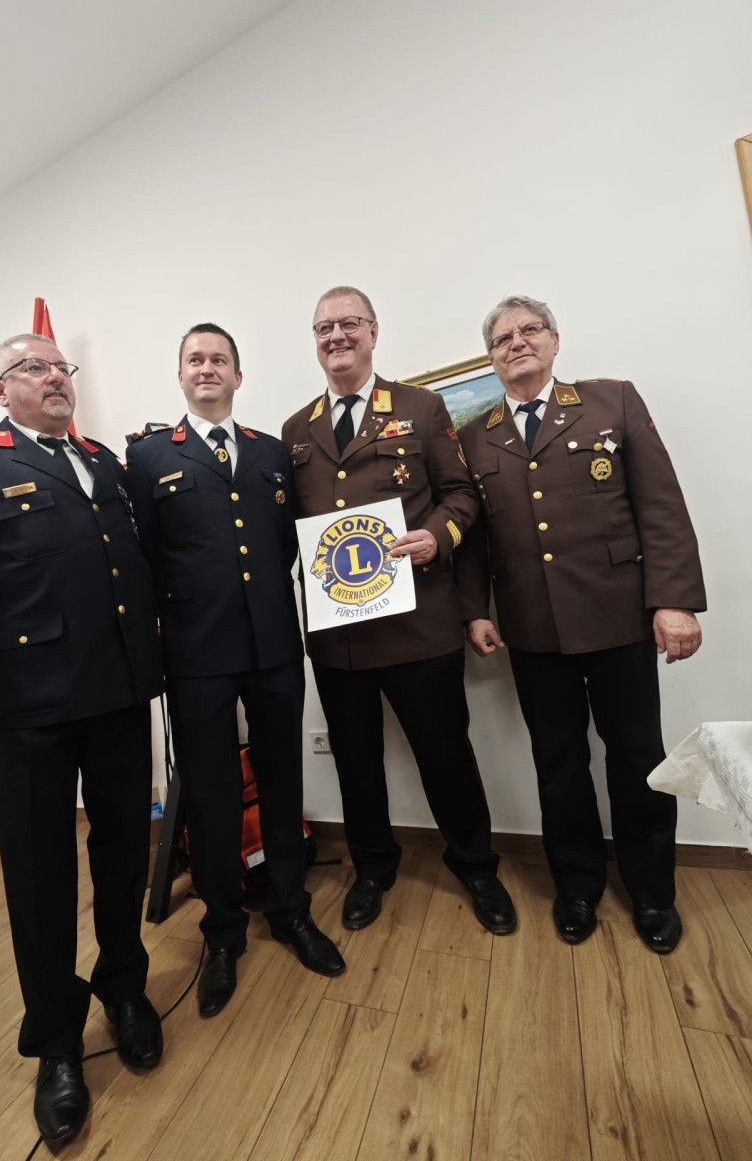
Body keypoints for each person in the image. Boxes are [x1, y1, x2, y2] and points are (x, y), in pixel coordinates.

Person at [0, 333, 164, 1147]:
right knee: (41, 876)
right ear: (0, 388)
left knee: (124, 853)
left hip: (119, 693)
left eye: (61, 367)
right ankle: (56, 1042)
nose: (54, 377)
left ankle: (124, 988)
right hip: (28, 708)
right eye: (34, 367)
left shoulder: (103, 462)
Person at [456, 295, 706, 953]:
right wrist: (474, 610)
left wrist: (673, 600)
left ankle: (651, 891)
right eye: (503, 338)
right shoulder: (476, 438)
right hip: (533, 629)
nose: (517, 342)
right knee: (558, 763)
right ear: (491, 357)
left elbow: (661, 506)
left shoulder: (610, 401)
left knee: (638, 757)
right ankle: (576, 886)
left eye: (530, 329)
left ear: (554, 340)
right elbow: (474, 540)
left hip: (619, 617)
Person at [125, 322, 345, 1019]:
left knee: (282, 781)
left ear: (237, 376)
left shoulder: (271, 452)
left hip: (273, 644)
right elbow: (144, 557)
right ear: (181, 375)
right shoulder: (148, 457)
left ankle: (290, 910)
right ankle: (222, 932)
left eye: (219, 359)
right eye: (195, 359)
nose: (207, 368)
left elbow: (284, 547)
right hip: (196, 656)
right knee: (213, 795)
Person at [281, 286, 515, 935]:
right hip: (339, 638)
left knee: (445, 755)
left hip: (418, 626)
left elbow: (462, 496)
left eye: (349, 323)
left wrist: (437, 536)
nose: (337, 336)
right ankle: (373, 867)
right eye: (324, 327)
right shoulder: (296, 431)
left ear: (373, 331)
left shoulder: (419, 407)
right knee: (356, 764)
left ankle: (476, 866)